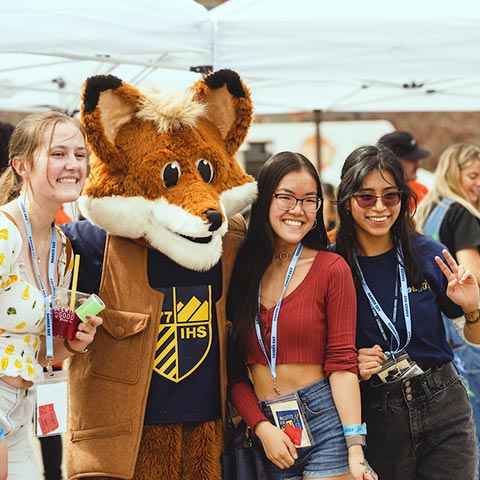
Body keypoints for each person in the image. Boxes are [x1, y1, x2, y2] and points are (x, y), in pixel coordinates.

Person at [228, 151, 377, 480]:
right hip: (268, 432)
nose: (298, 210)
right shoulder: (240, 270)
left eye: (310, 200)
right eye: (286, 198)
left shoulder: (331, 269)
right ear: (265, 198)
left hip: (325, 421)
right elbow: (233, 371)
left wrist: (355, 445)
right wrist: (261, 426)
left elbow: (341, 363)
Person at [335, 143, 480, 479]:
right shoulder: (333, 265)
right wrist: (350, 363)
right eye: (366, 197)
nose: (380, 207)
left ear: (403, 198)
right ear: (346, 201)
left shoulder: (430, 254)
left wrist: (473, 308)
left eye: (391, 196)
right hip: (375, 412)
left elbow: (473, 336)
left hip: (443, 402)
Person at [0, 111, 103, 480]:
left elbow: (39, 351)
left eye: (80, 154)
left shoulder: (61, 245)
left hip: (19, 417)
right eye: (58, 153)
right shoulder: (4, 233)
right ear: (22, 166)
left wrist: (75, 343)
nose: (73, 164)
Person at [415, 142, 480, 466]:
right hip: (467, 331)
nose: (479, 184)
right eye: (473, 175)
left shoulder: (430, 207)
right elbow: (474, 275)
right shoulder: (464, 213)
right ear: (453, 175)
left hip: (436, 332)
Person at [379, 130, 430, 209]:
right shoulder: (368, 197)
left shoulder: (420, 191)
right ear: (390, 162)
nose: (417, 165)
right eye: (411, 160)